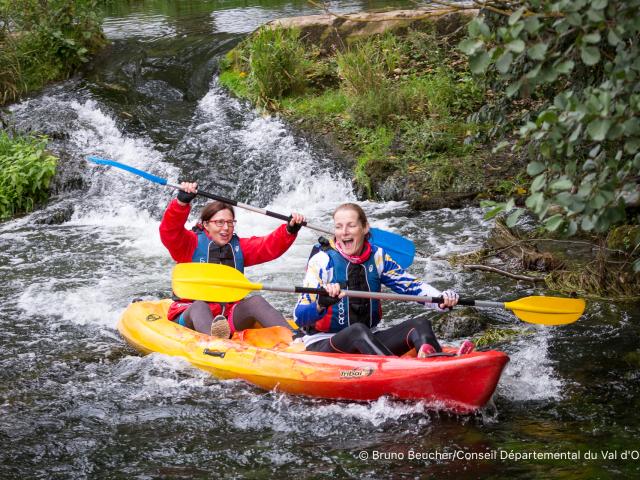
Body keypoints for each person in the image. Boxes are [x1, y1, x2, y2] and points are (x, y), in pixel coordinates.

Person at [293, 202, 474, 357]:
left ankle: (437, 362)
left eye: (351, 225)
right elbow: (299, 316)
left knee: (420, 324)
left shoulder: (377, 256)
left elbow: (410, 286)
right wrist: (321, 304)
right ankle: (398, 371)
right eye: (339, 226)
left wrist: (441, 299)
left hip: (369, 338)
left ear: (364, 228)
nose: (344, 232)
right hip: (324, 343)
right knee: (357, 330)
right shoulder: (322, 261)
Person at [160, 181, 305, 338]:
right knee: (200, 307)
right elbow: (170, 231)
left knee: (256, 301)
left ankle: (296, 340)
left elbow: (267, 246)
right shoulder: (189, 244)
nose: (226, 228)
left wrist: (289, 230)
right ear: (206, 224)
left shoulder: (238, 247)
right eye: (219, 222)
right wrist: (181, 203)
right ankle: (217, 345)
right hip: (190, 314)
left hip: (226, 314)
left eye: (230, 223)